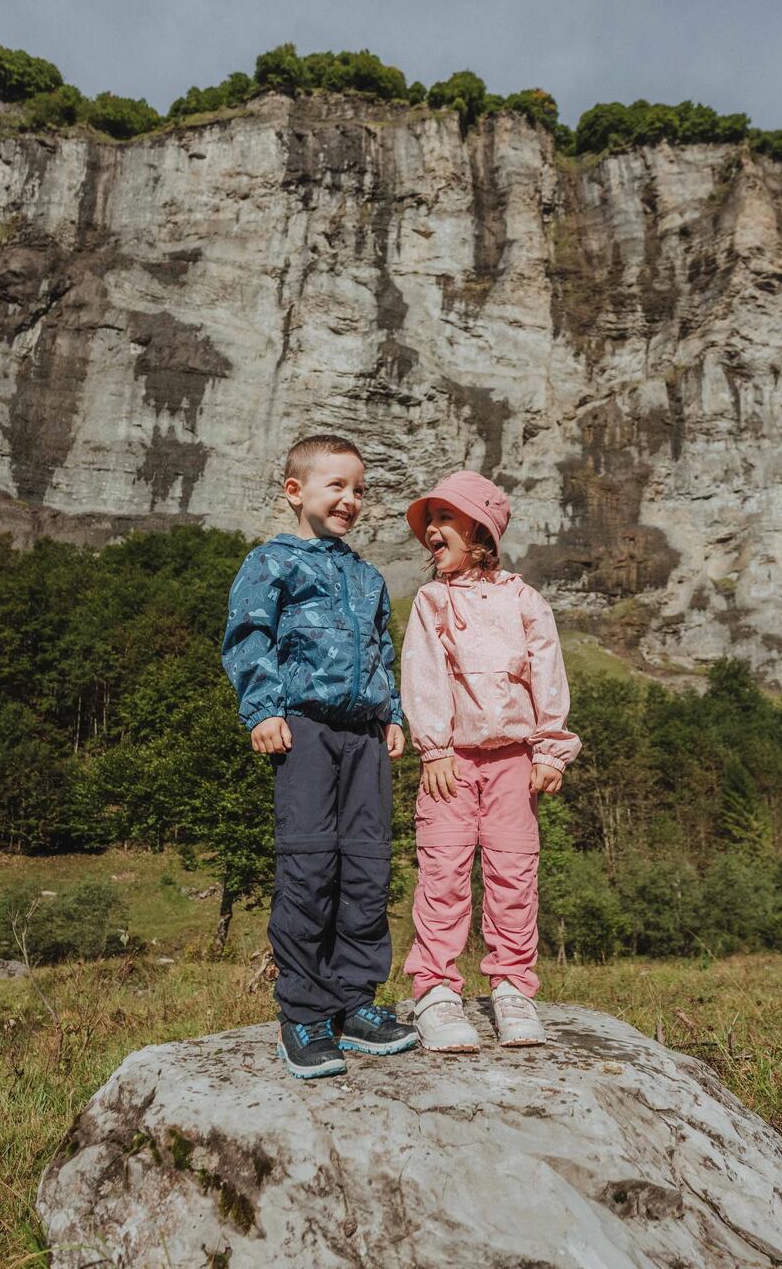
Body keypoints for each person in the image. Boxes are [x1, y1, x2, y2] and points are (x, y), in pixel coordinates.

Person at [221, 434, 419, 1079]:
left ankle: (355, 1002)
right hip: (303, 731)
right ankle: (303, 1012)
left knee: (366, 867)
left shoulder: (366, 577)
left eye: (359, 489)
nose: (350, 499)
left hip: (365, 739)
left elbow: (380, 653)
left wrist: (391, 716)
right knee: (309, 867)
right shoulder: (271, 563)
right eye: (336, 485)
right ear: (295, 491)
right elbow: (250, 638)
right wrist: (263, 709)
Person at [400, 471, 581, 1051]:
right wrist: (434, 747)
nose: (432, 529)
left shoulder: (525, 600)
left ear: (480, 529)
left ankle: (512, 988)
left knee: (513, 874)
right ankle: (435, 992)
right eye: (429, 521)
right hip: (449, 762)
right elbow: (424, 674)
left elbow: (546, 672)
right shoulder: (432, 601)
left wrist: (551, 747)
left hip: (515, 761)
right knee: (443, 873)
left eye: (445, 518)